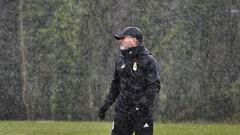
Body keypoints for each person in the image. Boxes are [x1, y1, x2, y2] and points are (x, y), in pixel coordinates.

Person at [99, 26, 160, 135]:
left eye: (123, 38)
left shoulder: (148, 60)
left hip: (142, 114)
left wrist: (139, 108)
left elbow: (153, 88)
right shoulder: (120, 60)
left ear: (134, 40)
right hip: (122, 112)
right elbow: (115, 86)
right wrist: (106, 105)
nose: (120, 41)